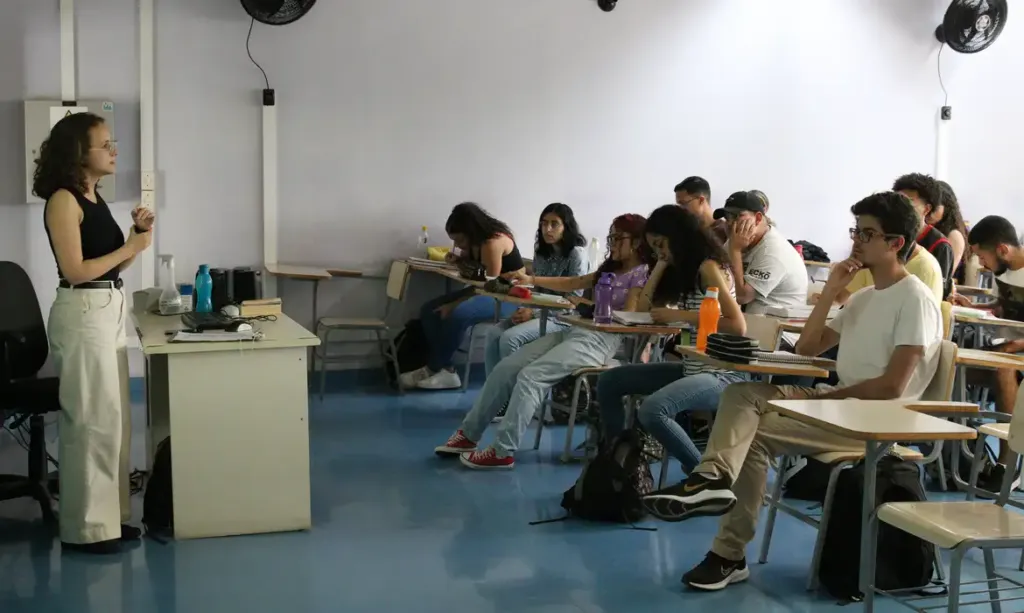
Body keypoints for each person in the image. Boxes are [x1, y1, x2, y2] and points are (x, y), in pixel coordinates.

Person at [642, 192, 942, 592]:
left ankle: (727, 554)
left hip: (875, 419)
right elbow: (806, 348)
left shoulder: (915, 299)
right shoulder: (865, 297)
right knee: (740, 394)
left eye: (867, 234)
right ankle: (712, 479)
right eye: (855, 231)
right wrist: (832, 289)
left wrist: (829, 399)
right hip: (840, 403)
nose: (856, 241)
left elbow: (892, 387)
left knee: (752, 437)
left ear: (895, 243)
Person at [434, 214, 661, 469]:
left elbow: (626, 316)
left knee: (531, 377)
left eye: (618, 237)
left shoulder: (642, 274)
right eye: (611, 236)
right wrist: (531, 279)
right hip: (577, 330)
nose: (612, 242)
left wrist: (587, 306)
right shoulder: (610, 268)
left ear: (638, 242)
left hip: (603, 342)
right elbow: (574, 282)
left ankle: (502, 450)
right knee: (507, 367)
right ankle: (468, 434)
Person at [34, 112, 155, 554]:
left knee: (112, 421)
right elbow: (76, 270)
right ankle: (84, 531)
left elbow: (112, 263)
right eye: (105, 144)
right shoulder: (63, 201)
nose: (113, 150)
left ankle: (109, 520)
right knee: (90, 424)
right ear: (79, 153)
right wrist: (130, 247)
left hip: (106, 308)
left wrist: (136, 235)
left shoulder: (94, 197)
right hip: (83, 313)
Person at [597, 205, 747, 474]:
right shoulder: (683, 269)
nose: (659, 252)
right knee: (610, 381)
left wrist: (682, 316)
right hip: (693, 368)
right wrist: (661, 265)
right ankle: (617, 460)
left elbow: (737, 325)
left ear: (679, 237)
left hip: (722, 373)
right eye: (654, 248)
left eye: (661, 245)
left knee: (652, 410)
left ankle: (703, 477)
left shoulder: (708, 267)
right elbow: (643, 310)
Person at [399, 203, 526, 390]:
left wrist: (454, 304)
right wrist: (459, 260)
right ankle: (446, 369)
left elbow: (490, 286)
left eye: (459, 240)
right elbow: (478, 276)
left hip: (508, 297)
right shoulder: (476, 242)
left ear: (471, 231)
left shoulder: (493, 243)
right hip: (484, 290)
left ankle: (433, 368)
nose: (457, 245)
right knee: (429, 310)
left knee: (458, 313)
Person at [954, 216, 1024, 479]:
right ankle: (960, 451)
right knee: (953, 369)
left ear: (1002, 249)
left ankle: (1007, 464)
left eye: (983, 257)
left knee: (1003, 369)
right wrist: (973, 308)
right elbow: (1000, 306)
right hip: (1005, 348)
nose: (982, 264)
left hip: (1014, 352)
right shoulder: (1003, 272)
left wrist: (1012, 347)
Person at [483, 203, 588, 377]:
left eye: (554, 224)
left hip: (564, 319)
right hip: (540, 313)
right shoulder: (541, 252)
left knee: (510, 339)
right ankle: (493, 390)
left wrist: (534, 313)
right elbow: (536, 291)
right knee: (493, 334)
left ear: (567, 227)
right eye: (544, 223)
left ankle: (512, 390)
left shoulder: (576, 254)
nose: (547, 229)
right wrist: (525, 309)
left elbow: (572, 301)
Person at [715, 191, 808, 314]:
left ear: (758, 218)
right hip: (751, 320)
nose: (730, 223)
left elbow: (742, 296)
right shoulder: (736, 240)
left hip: (778, 322)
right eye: (727, 217)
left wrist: (735, 251)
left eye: (736, 216)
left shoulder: (772, 251)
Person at [894, 173, 955, 298]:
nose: (900, 208)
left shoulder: (940, 246)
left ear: (926, 209)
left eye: (908, 202)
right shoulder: (889, 236)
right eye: (897, 202)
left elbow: (939, 293)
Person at [931, 180, 968, 274]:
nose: (929, 211)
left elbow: (945, 275)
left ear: (947, 207)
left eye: (935, 207)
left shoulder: (954, 235)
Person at [675, 176, 726, 243]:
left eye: (684, 203)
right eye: (679, 205)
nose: (680, 209)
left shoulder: (726, 233)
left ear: (701, 200)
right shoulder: (684, 233)